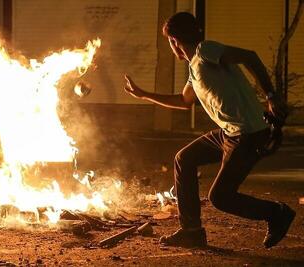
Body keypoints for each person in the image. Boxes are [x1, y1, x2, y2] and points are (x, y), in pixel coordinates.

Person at [124, 12, 295, 248]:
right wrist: (144, 95)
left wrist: (271, 95)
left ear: (174, 40)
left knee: (221, 197)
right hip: (229, 133)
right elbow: (185, 102)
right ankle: (191, 231)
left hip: (249, 134)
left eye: (169, 42)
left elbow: (250, 57)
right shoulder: (194, 67)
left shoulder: (206, 51)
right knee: (184, 159)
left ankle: (277, 213)